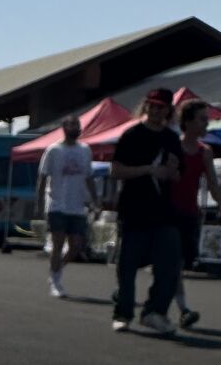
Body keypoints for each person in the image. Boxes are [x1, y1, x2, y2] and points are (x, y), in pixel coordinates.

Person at [109, 87, 183, 333]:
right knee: (127, 266)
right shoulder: (132, 135)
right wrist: (147, 170)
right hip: (134, 210)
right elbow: (116, 170)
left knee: (169, 265)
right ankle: (123, 312)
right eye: (151, 105)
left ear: (168, 110)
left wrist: (171, 172)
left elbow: (178, 175)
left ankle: (154, 312)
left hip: (163, 212)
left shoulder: (172, 139)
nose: (154, 110)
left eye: (160, 107)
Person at [169, 100, 221, 327]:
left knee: (178, 264)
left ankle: (174, 303)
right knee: (171, 263)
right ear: (188, 121)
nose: (207, 123)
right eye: (202, 119)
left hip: (188, 215)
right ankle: (183, 308)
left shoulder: (205, 152)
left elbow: (212, 182)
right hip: (166, 213)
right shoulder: (172, 147)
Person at [36, 113, 97, 299]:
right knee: (58, 242)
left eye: (77, 125)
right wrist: (39, 204)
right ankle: (56, 282)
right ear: (64, 128)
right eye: (70, 125)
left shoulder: (85, 150)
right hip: (57, 204)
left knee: (77, 246)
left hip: (77, 205)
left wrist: (96, 200)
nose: (74, 128)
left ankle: (56, 269)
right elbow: (43, 177)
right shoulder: (53, 150)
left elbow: (89, 176)